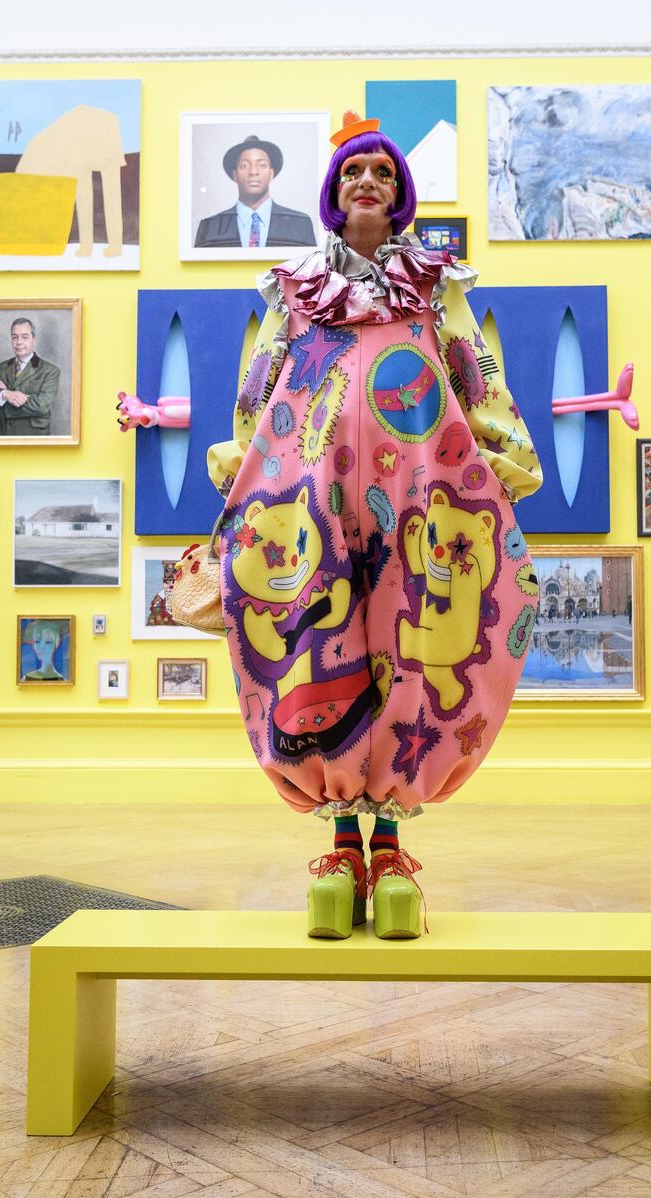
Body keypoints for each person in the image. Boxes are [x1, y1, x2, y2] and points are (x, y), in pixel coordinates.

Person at [207, 112, 542, 941]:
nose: (368, 182)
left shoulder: (437, 284)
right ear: (332, 191)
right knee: (319, 646)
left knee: (413, 641)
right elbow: (262, 380)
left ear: (401, 196)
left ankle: (388, 846)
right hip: (314, 494)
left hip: (420, 493)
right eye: (355, 170)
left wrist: (498, 447)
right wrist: (244, 455)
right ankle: (340, 847)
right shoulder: (291, 285)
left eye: (383, 173)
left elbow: (471, 367)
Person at [194, 135, 316, 250]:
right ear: (235, 174)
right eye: (244, 165)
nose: (253, 171)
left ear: (271, 173)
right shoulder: (209, 227)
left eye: (262, 165)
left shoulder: (300, 224)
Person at [0, 317, 60, 437]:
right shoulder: (4, 366)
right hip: (4, 436)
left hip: (33, 438)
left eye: (24, 337)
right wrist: (6, 394)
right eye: (14, 337)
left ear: (34, 340)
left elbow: (42, 406)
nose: (18, 342)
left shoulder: (50, 370)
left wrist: (4, 397)